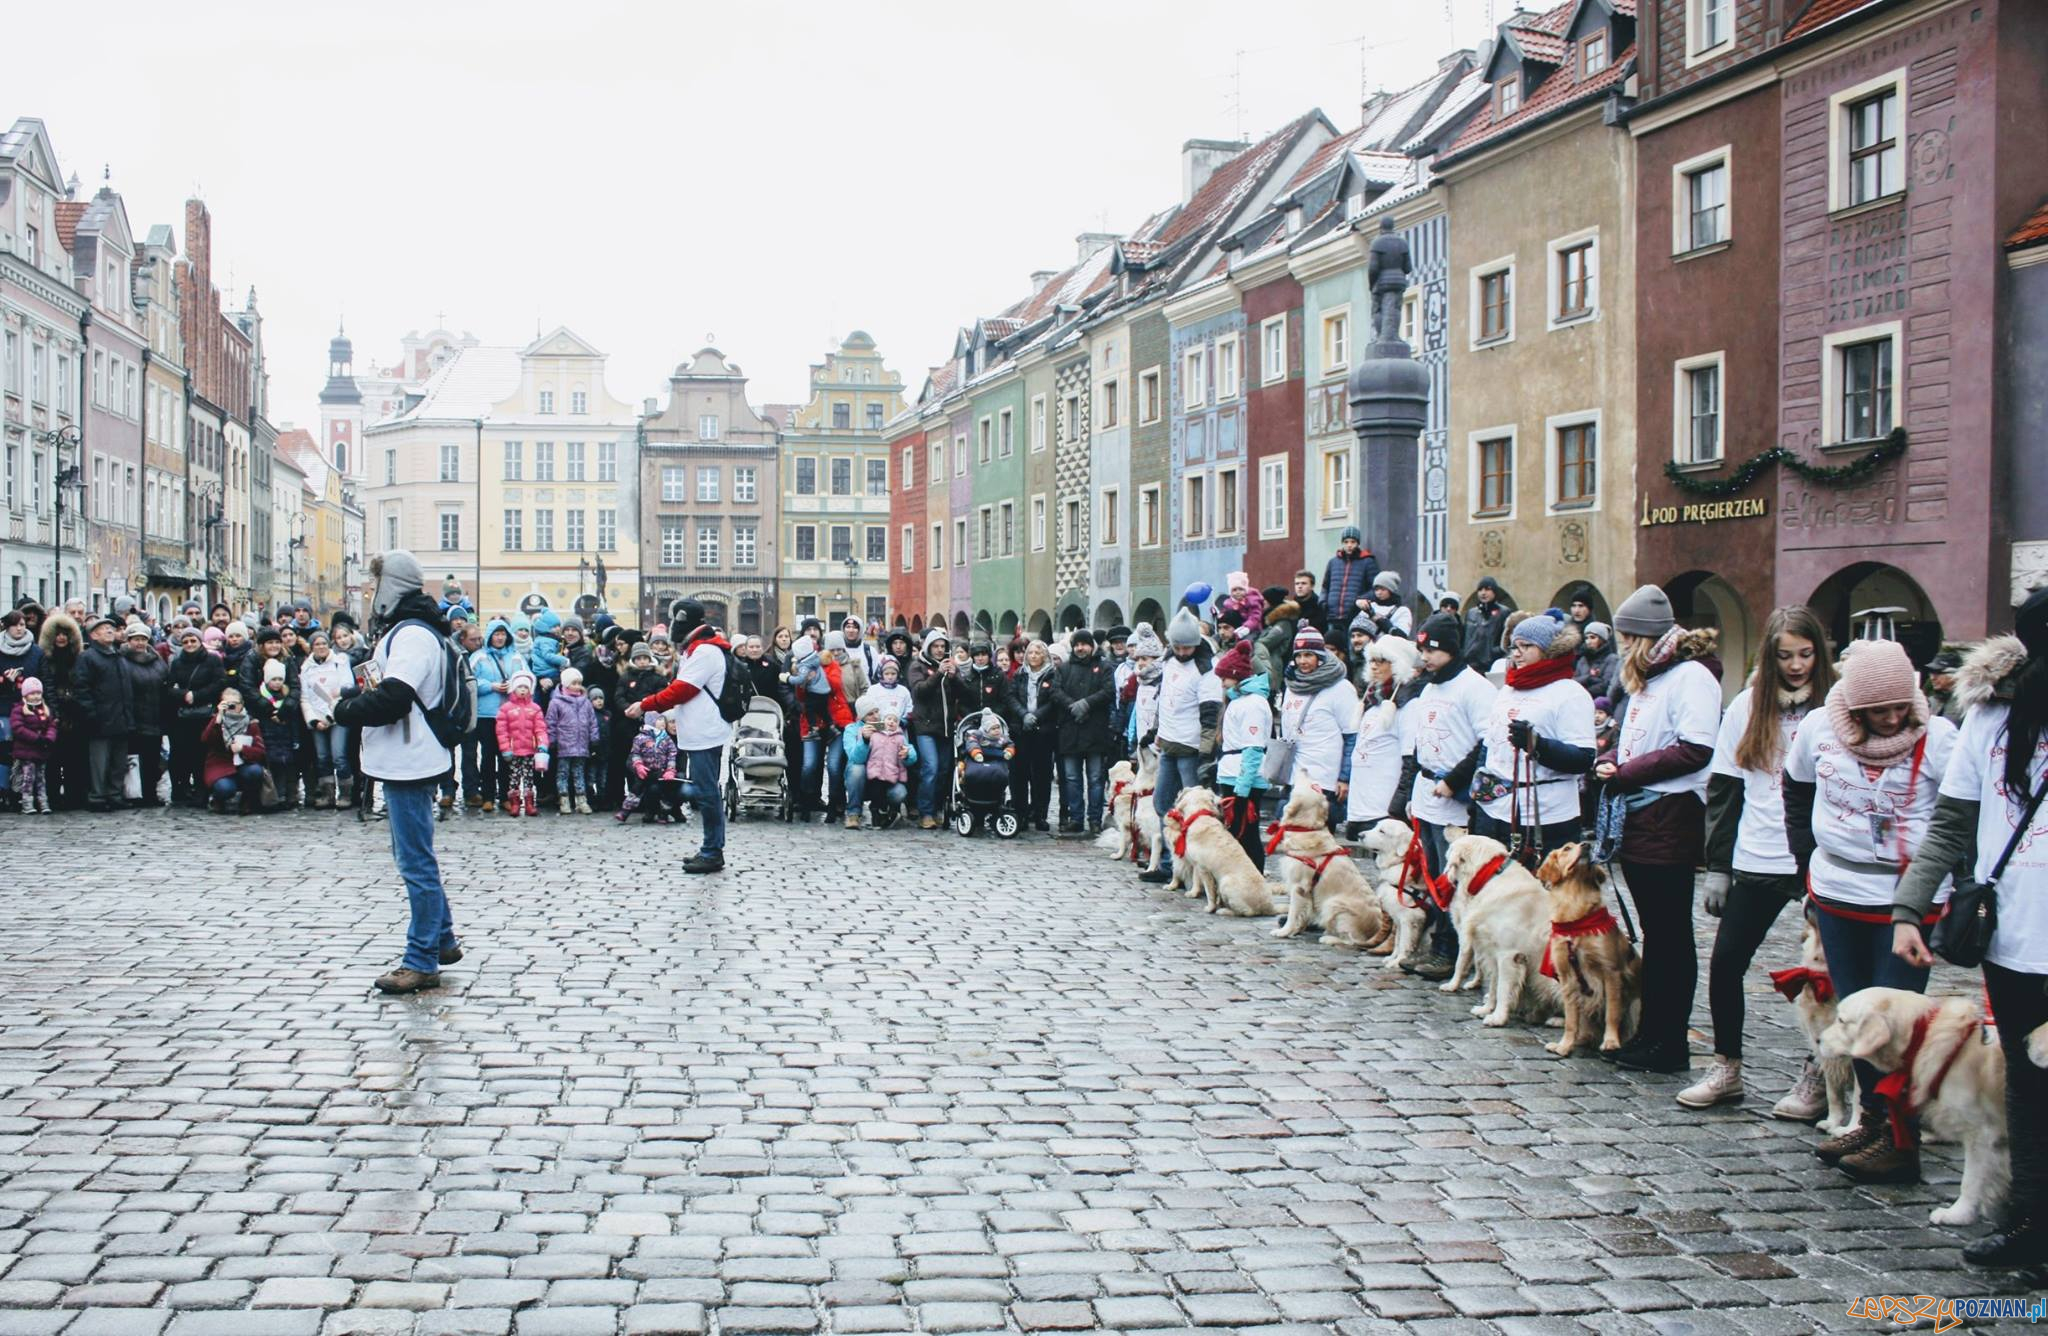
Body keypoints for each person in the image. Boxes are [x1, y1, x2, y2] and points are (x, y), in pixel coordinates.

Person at [1894, 587, 2048, 1268]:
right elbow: (1951, 823)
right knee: (2027, 1084)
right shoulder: (1991, 717)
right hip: (2012, 938)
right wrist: (1909, 909)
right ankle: (2030, 1221)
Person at [1782, 638, 1957, 1182]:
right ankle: (1872, 1120)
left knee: (1896, 1022)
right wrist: (1805, 861)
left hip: (1908, 900)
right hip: (1839, 891)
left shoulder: (1939, 738)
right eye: (1879, 710)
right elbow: (1795, 789)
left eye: (1900, 706)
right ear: (1854, 708)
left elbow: (1960, 815)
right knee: (1855, 1011)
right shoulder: (1819, 728)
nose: (1892, 718)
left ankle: (1901, 1141)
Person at [1682, 606, 1837, 1113]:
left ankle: (1821, 1074)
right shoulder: (1747, 706)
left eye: (1806, 654)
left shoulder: (1836, 705)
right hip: (1759, 852)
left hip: (1820, 858)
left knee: (1826, 973)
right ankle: (1727, 1066)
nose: (1796, 665)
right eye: (1785, 656)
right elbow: (1725, 790)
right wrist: (1719, 866)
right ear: (1769, 658)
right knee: (1727, 961)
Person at [1594, 583, 1724, 1075]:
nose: (1623, 647)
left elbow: (1695, 748)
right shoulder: (1651, 679)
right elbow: (1639, 741)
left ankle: (1668, 1040)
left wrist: (1626, 772)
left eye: (1628, 638)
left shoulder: (1691, 677)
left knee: (1669, 937)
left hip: (1669, 817)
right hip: (1642, 816)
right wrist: (1611, 758)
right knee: (1656, 933)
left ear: (1645, 638)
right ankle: (1651, 1032)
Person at [331, 550, 464, 995]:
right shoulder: (409, 630)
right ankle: (441, 938)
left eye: (376, 585)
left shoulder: (412, 635)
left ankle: (421, 959)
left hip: (411, 757)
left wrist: (344, 710)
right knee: (415, 856)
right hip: (406, 755)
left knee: (415, 863)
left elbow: (394, 697)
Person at [1406, 611, 1497, 978]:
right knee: (1432, 874)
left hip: (1453, 798)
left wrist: (1456, 781)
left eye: (1432, 651)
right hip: (1428, 792)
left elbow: (1487, 742)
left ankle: (1451, 950)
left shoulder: (1475, 688)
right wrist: (1414, 789)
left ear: (1451, 650)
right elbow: (1421, 742)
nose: (1425, 657)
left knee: (1453, 877)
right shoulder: (1430, 688)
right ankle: (1437, 944)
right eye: (1422, 650)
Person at [1472, 612, 1593, 856]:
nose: (1517, 653)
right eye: (1514, 646)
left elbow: (1583, 758)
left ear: (1548, 650)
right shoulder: (1507, 690)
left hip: (1546, 817)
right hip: (1497, 811)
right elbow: (1490, 746)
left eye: (1526, 646)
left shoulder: (1570, 693)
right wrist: (1476, 802)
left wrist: (1538, 745)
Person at [625, 600, 731, 871]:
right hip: (698, 729)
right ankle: (711, 847)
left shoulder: (705, 651)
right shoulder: (695, 649)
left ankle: (712, 851)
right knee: (705, 790)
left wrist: (646, 704)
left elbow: (682, 690)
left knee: (706, 792)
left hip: (705, 731)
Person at [1139, 609, 1222, 884]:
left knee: (1194, 810)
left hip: (1192, 747)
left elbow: (1210, 715)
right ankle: (1170, 863)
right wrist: (1156, 731)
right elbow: (1165, 700)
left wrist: (1206, 754)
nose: (1182, 652)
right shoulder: (1169, 661)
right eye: (1178, 647)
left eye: (1187, 647)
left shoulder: (1206, 669)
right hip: (1169, 744)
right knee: (1163, 803)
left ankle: (1198, 869)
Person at [1276, 626, 1361, 832]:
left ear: (1320, 656)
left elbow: (1352, 736)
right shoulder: (1292, 684)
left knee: (1317, 838)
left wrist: (1345, 778)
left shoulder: (1340, 688)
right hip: (1294, 774)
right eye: (1299, 656)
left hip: (1323, 777)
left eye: (1308, 655)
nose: (1302, 661)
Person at [1346, 636, 1424, 834]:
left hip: (1384, 811)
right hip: (1361, 807)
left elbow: (1410, 760)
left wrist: (1397, 807)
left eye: (1382, 661)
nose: (1374, 666)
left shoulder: (1408, 706)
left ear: (1398, 665)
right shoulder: (1372, 703)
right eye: (1372, 660)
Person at [1046, 629, 1115, 835]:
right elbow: (1055, 691)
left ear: (1091, 646)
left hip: (1095, 731)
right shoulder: (1064, 668)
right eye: (1077, 645)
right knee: (1072, 778)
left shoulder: (1104, 667)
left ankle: (1094, 819)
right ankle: (1076, 818)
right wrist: (1072, 706)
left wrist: (1086, 704)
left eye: (1084, 644)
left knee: (1095, 779)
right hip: (1070, 730)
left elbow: (1108, 691)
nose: (1080, 648)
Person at [1212, 641, 1272, 868]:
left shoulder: (1252, 704)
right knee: (1237, 833)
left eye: (1225, 677)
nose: (1222, 682)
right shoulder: (1240, 702)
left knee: (1246, 834)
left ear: (1236, 675)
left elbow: (1253, 748)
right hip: (1232, 773)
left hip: (1242, 777)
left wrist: (1242, 789)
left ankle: (1253, 875)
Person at [909, 629, 972, 829]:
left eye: (942, 646)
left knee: (944, 771)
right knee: (931, 768)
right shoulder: (917, 666)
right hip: (925, 726)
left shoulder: (951, 666)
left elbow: (965, 694)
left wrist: (954, 677)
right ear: (928, 647)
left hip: (946, 727)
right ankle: (925, 812)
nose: (939, 650)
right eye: (935, 646)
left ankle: (937, 808)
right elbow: (920, 691)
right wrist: (938, 674)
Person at [71, 616, 132, 813]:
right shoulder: (88, 657)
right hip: (100, 718)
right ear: (94, 635)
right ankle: (97, 796)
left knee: (118, 762)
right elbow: (81, 688)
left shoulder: (118, 655)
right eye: (104, 628)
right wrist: (91, 713)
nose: (109, 630)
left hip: (120, 717)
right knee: (99, 762)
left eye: (111, 628)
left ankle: (115, 795)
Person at [166, 625, 224, 807]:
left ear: (200, 642)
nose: (189, 644)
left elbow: (219, 683)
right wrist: (184, 695)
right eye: (186, 641)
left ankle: (202, 790)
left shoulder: (212, 660)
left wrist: (197, 695)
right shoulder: (177, 662)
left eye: (193, 641)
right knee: (182, 755)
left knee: (202, 755)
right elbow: (169, 687)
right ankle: (181, 790)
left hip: (205, 715)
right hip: (183, 717)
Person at [299, 631, 353, 808]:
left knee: (339, 756)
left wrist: (331, 716)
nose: (321, 647)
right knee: (322, 757)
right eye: (317, 644)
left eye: (324, 643)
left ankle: (345, 793)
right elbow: (305, 698)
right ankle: (327, 794)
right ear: (311, 647)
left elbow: (345, 689)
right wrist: (314, 720)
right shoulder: (306, 668)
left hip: (337, 717)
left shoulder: (340, 663)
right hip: (317, 719)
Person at [38, 611, 85, 809]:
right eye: (57, 634)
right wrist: (53, 711)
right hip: (53, 713)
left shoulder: (78, 658)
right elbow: (46, 685)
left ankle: (75, 796)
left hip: (75, 714)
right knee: (53, 760)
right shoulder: (45, 659)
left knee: (75, 758)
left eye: (65, 634)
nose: (61, 638)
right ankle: (54, 797)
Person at [1010, 641, 1057, 832]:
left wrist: (1036, 716)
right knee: (1019, 774)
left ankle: (1040, 814)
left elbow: (1054, 700)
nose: (1034, 656)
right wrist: (1023, 715)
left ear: (1044, 655)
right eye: (1031, 653)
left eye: (1038, 652)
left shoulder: (1052, 675)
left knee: (1042, 776)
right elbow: (1011, 697)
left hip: (1043, 730)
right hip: (1020, 730)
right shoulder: (1019, 674)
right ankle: (1020, 814)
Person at [121, 621, 169, 806]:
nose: (140, 643)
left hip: (155, 718)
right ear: (128, 641)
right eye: (136, 639)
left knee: (152, 759)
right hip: (134, 718)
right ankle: (134, 794)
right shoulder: (123, 661)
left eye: (143, 639)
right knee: (134, 760)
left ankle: (150, 794)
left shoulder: (156, 660)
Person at [0, 610, 44, 807]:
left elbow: (44, 679)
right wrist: (4, 681)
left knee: (26, 752)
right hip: (4, 708)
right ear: (7, 627)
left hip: (29, 708)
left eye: (22, 625)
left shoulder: (36, 652)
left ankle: (22, 792)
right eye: (15, 625)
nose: (19, 629)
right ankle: (3, 790)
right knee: (5, 751)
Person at [201, 687, 268, 814]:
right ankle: (217, 800)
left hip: (244, 764)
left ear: (242, 704)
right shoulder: (217, 720)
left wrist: (243, 749)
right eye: (228, 704)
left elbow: (260, 751)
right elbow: (206, 739)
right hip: (221, 765)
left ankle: (247, 801)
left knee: (256, 771)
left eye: (235, 704)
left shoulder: (251, 722)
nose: (231, 707)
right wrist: (218, 717)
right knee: (224, 788)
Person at [546, 666, 599, 814]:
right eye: (573, 683)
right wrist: (552, 740)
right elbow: (550, 723)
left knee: (579, 773)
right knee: (563, 773)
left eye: (579, 683)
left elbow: (592, 721)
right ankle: (564, 800)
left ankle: (582, 800)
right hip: (564, 745)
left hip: (581, 744)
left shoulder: (585, 702)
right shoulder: (556, 702)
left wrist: (594, 738)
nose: (577, 686)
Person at [495, 671, 548, 818]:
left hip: (530, 750)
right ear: (514, 689)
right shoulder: (506, 708)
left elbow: (540, 728)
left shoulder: (535, 708)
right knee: (514, 778)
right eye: (520, 687)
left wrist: (542, 743)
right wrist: (505, 748)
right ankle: (515, 803)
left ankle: (530, 802)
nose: (523, 690)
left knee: (529, 778)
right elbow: (502, 731)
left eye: (526, 687)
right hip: (514, 751)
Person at [617, 709, 680, 823]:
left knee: (666, 791)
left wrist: (670, 770)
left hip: (661, 771)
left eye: (662, 719)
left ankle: (663, 813)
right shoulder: (640, 738)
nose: (662, 722)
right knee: (636, 790)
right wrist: (638, 765)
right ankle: (625, 811)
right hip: (646, 771)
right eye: (659, 720)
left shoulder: (666, 738)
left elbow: (672, 754)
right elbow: (635, 753)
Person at [7, 677, 56, 813]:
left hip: (41, 751)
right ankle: (27, 803)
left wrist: (48, 738)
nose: (36, 696)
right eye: (32, 693)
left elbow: (51, 725)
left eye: (38, 693)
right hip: (26, 752)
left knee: (41, 779)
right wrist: (36, 738)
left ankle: (43, 802)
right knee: (27, 778)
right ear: (25, 694)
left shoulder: (45, 710)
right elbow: (18, 728)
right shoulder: (19, 709)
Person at [1321, 527, 1379, 641]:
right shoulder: (1333, 562)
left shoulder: (1368, 562)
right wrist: (1323, 602)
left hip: (1354, 616)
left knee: (1352, 647)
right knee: (1333, 647)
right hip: (1333, 616)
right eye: (1346, 542)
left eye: (1353, 542)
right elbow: (1325, 586)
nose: (1349, 545)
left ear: (1358, 543)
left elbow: (1375, 589)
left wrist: (1359, 601)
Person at [1463, 576, 1510, 673]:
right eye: (1480, 589)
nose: (1483, 593)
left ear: (1494, 591)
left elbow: (1507, 637)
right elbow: (1465, 637)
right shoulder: (1471, 613)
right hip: (1471, 663)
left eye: (1487, 589)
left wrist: (1496, 652)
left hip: (1491, 664)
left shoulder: (1504, 612)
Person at [1575, 621, 1620, 709]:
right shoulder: (1583, 659)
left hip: (1601, 708)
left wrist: (1584, 690)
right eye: (1586, 638)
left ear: (1602, 640)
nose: (1588, 641)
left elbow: (1606, 685)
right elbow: (1574, 681)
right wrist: (1589, 678)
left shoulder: (1612, 659)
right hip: (1581, 704)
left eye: (1592, 637)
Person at [1364, 573, 1412, 639]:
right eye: (1376, 589)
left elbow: (1402, 637)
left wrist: (1382, 622)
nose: (1379, 593)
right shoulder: (1370, 606)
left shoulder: (1402, 611)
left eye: (1383, 589)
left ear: (1391, 590)